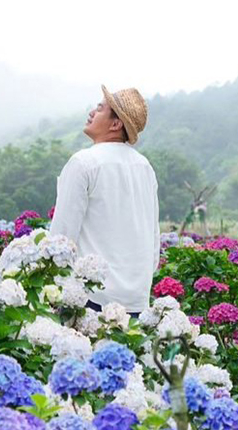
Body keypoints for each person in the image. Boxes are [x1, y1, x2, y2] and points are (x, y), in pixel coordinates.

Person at [49, 85, 159, 314]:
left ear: (116, 124)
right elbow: (153, 236)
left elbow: (61, 238)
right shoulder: (145, 167)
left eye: (100, 108)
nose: (91, 112)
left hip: (92, 299)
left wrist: (53, 289)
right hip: (137, 301)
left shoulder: (84, 162)